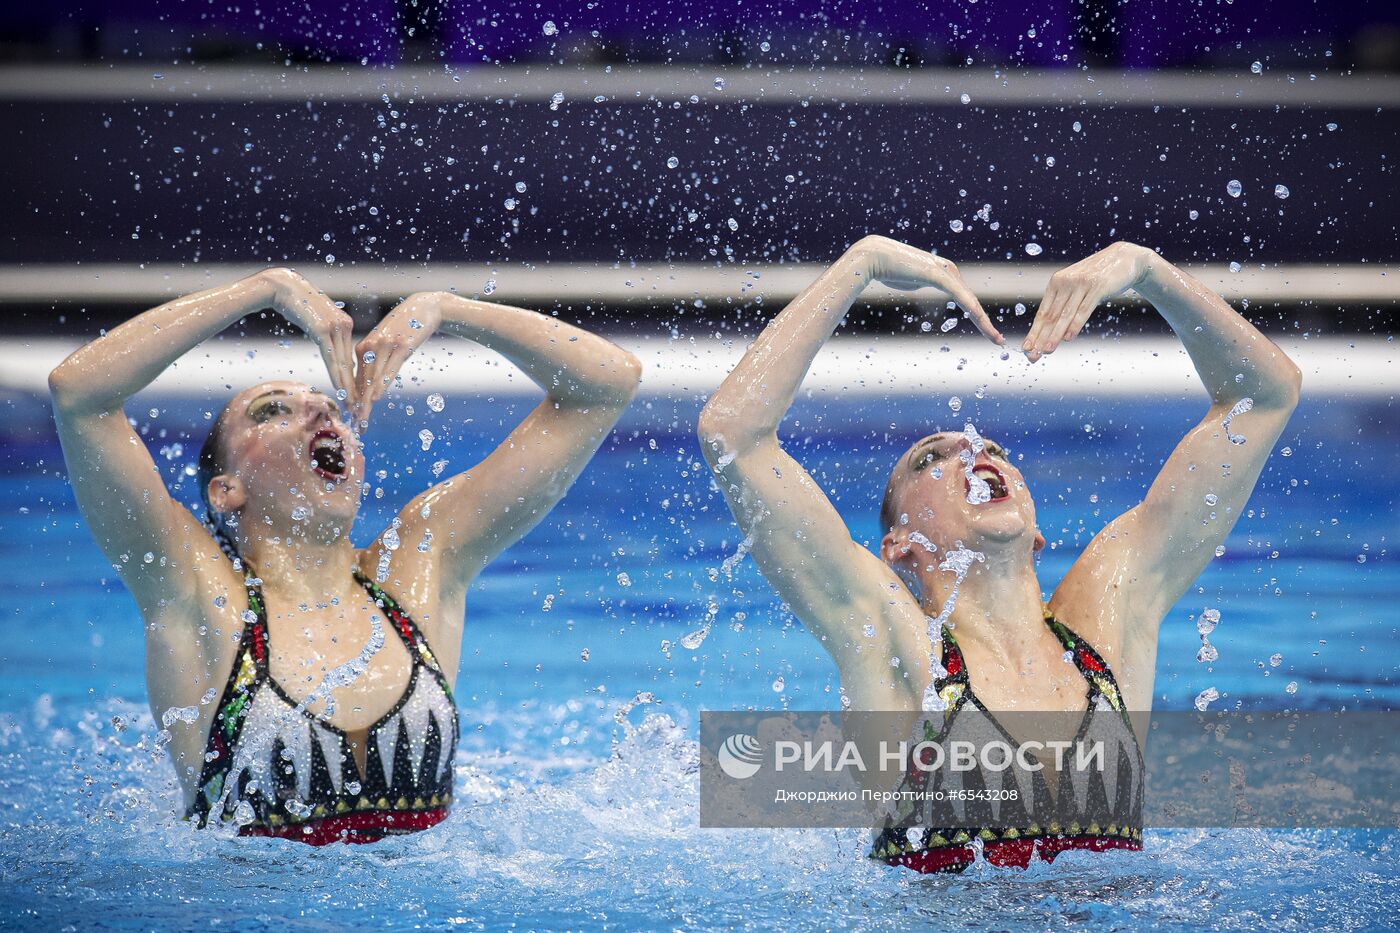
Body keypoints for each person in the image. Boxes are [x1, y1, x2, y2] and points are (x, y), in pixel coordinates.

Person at [697, 236, 1301, 871]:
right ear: (899, 544)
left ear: (1036, 533)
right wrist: (859, 265)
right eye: (933, 458)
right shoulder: (894, 643)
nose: (976, 454)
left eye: (996, 454)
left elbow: (1265, 396)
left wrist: (1145, 269)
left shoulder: (1108, 620)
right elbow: (732, 433)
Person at [48, 268, 641, 844]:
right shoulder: (198, 592)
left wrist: (448, 309)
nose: (319, 411)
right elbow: (80, 395)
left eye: (325, 406)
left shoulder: (413, 570)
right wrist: (262, 290)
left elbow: (604, 385)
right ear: (227, 490)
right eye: (273, 411)